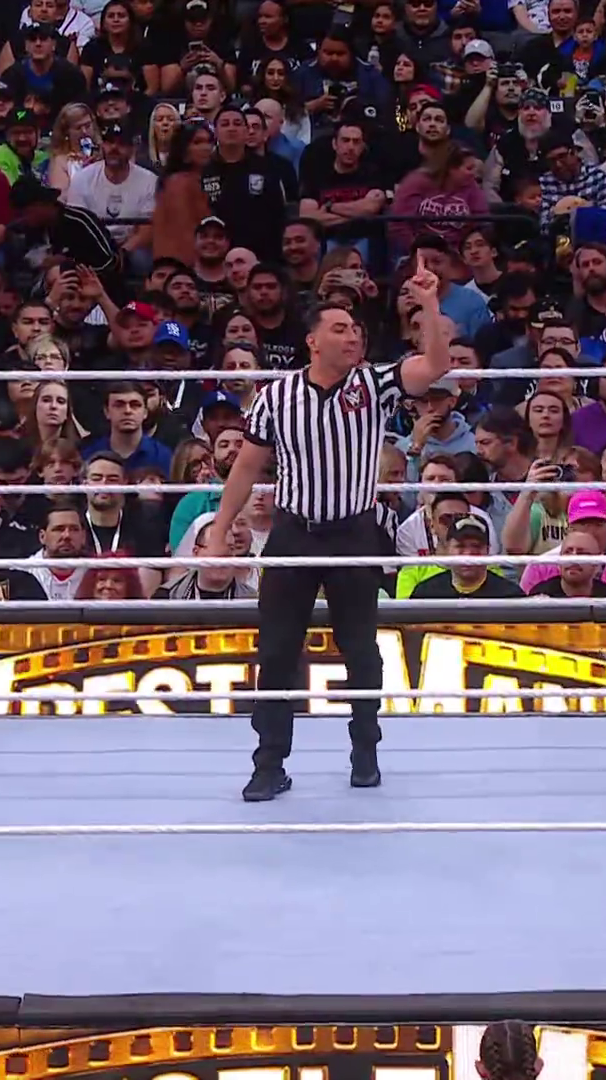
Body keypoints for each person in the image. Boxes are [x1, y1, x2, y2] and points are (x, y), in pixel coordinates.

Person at [201, 268, 452, 802]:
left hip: (354, 533)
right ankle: (269, 763)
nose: (352, 336)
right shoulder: (276, 397)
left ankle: (365, 752)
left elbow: (435, 366)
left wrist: (429, 306)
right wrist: (220, 531)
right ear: (312, 341)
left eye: (356, 329)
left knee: (361, 649)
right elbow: (246, 467)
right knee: (276, 650)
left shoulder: (374, 384)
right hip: (294, 534)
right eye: (339, 328)